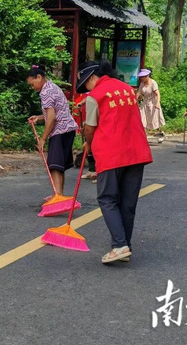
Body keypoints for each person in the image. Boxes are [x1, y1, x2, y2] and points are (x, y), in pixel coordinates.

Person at [78, 60, 152, 264]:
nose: (86, 88)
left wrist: (88, 144)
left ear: (93, 77)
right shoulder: (127, 89)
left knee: (108, 199)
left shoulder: (95, 96)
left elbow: (90, 129)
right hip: (136, 152)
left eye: (86, 83)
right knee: (128, 203)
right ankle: (124, 245)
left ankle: (119, 245)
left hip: (112, 153)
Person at [27, 65, 78, 197]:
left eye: (33, 84)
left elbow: (52, 118)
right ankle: (58, 193)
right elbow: (55, 112)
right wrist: (39, 117)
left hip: (60, 130)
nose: (33, 87)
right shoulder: (52, 86)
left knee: (54, 164)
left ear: (39, 77)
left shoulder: (46, 92)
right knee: (59, 165)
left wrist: (43, 139)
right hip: (68, 129)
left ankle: (58, 195)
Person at [136, 68, 165, 142]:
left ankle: (161, 132)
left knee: (155, 119)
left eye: (143, 77)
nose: (142, 78)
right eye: (141, 77)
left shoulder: (153, 83)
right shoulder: (142, 84)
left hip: (153, 103)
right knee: (142, 118)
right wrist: (135, 100)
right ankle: (143, 136)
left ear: (147, 76)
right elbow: (139, 93)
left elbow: (157, 94)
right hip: (145, 103)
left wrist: (158, 103)